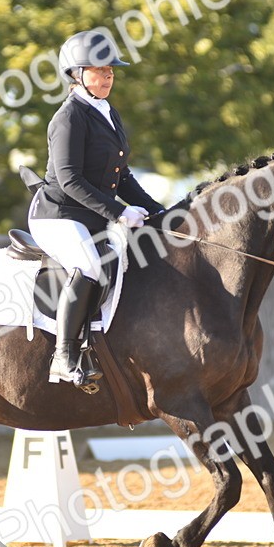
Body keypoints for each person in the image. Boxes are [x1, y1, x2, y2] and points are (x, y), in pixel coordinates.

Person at [28, 29, 166, 388]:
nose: (107, 77)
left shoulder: (108, 113)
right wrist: (119, 213)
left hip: (90, 215)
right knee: (88, 265)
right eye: (98, 70)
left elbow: (122, 177)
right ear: (76, 74)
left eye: (111, 71)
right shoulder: (69, 117)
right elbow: (70, 180)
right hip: (57, 215)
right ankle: (64, 355)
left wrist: (159, 210)